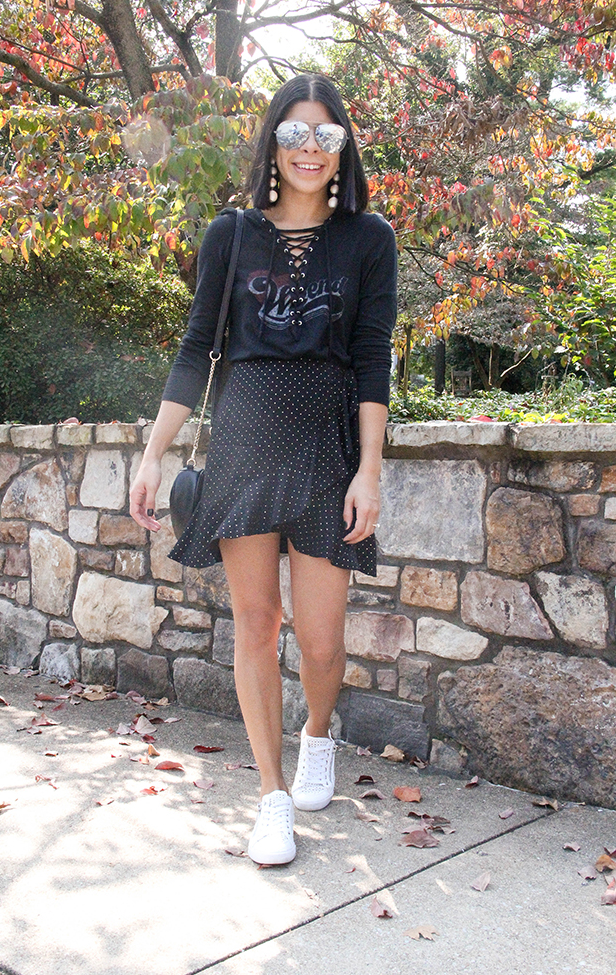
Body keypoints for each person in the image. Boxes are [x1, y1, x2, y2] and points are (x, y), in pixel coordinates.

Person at [130, 73, 397, 865]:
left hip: (325, 447)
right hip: (243, 440)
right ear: (272, 143)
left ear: (343, 148)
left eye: (326, 135)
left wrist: (370, 469)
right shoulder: (232, 233)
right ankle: (270, 797)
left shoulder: (368, 238)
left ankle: (317, 734)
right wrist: (153, 451)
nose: (310, 148)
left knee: (321, 642)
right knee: (255, 622)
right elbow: (196, 348)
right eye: (294, 133)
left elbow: (373, 356)